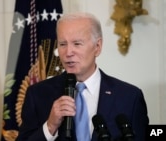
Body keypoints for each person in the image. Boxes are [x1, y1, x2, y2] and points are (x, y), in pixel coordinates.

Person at [16, 12, 149, 141]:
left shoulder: (129, 98)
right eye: (63, 44)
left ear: (97, 46)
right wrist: (50, 127)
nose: (68, 52)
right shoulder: (37, 94)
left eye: (77, 44)